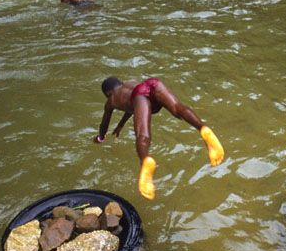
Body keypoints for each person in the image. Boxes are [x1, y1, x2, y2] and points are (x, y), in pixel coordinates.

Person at [94, 76, 225, 200]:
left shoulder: (111, 101)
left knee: (143, 135)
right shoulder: (129, 83)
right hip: (152, 84)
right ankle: (203, 128)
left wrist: (101, 137)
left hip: (139, 97)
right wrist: (121, 125)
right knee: (179, 108)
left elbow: (105, 122)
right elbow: (133, 105)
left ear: (108, 93)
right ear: (120, 83)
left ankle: (146, 160)